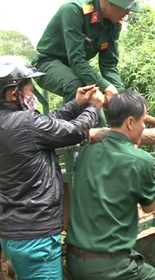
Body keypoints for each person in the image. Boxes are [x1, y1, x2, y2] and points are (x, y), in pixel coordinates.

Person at [0, 55, 103, 280]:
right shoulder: (26, 124)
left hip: (13, 232)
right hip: (36, 236)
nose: (32, 93)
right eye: (29, 87)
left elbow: (48, 125)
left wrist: (75, 104)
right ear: (12, 93)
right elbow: (74, 131)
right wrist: (94, 108)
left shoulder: (14, 123)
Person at [65, 90, 155, 280]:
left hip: (74, 259)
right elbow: (149, 207)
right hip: (111, 267)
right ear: (130, 122)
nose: (144, 127)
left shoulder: (87, 152)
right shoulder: (141, 160)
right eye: (143, 121)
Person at [32, 0, 141, 126]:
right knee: (79, 88)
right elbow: (77, 61)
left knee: (106, 98)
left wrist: (120, 95)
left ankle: (102, 138)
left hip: (76, 70)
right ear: (110, 3)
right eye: (125, 8)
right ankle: (63, 136)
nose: (127, 13)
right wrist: (106, 87)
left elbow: (109, 65)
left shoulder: (114, 23)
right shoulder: (74, 10)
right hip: (47, 64)